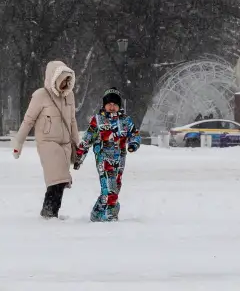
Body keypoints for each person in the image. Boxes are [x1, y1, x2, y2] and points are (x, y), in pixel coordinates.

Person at [11, 60, 81, 218]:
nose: (65, 84)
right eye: (62, 80)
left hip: (65, 144)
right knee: (57, 177)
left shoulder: (70, 96)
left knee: (62, 180)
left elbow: (72, 121)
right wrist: (18, 142)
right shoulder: (40, 95)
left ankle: (51, 211)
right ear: (53, 78)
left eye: (68, 81)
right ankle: (49, 211)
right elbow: (28, 120)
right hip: (47, 142)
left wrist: (77, 145)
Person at [75, 88, 142, 222]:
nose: (112, 107)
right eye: (109, 104)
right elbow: (87, 139)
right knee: (109, 188)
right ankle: (111, 216)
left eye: (115, 104)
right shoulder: (98, 120)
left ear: (119, 106)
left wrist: (133, 144)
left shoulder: (125, 121)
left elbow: (134, 134)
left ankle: (97, 213)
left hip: (120, 159)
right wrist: (79, 156)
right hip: (103, 159)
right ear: (104, 105)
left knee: (115, 187)